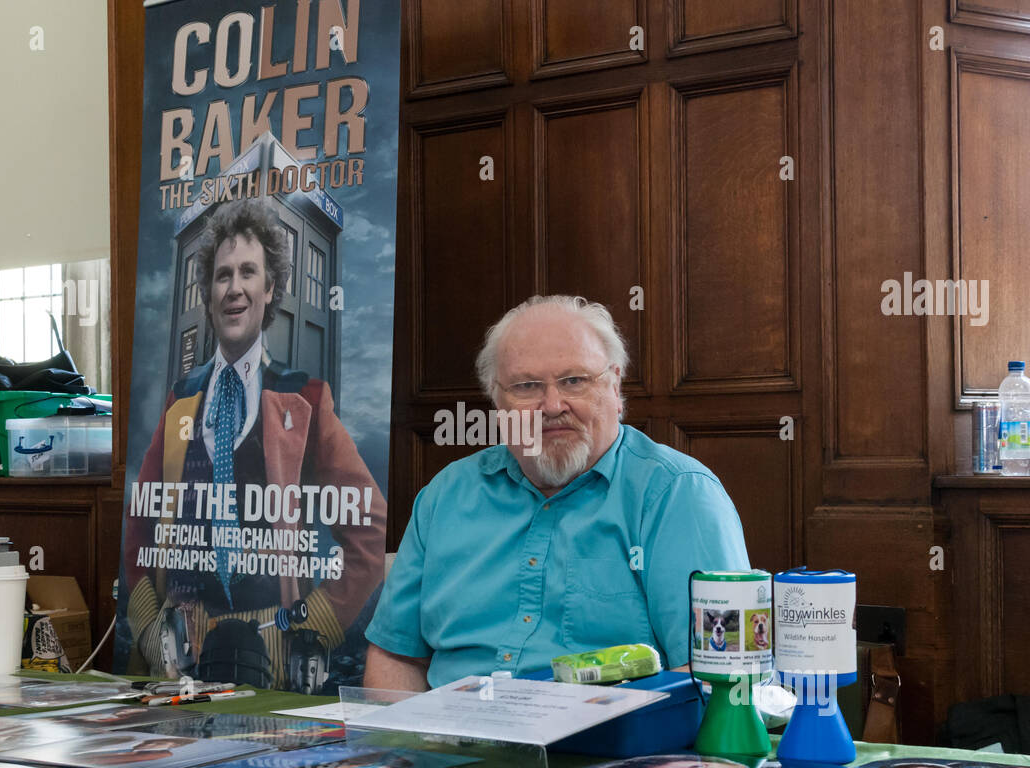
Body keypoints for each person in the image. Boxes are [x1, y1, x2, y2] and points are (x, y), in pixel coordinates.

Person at [364, 294, 750, 690]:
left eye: (574, 381)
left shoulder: (679, 495)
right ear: (497, 401)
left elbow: (716, 674)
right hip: (447, 744)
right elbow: (397, 655)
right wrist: (403, 747)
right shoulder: (446, 496)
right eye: (526, 386)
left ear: (615, 387)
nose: (551, 405)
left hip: (605, 745)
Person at [124, 197, 387, 690]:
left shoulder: (307, 399)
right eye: (223, 275)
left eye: (249, 272)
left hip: (273, 651)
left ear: (270, 289)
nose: (234, 288)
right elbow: (140, 527)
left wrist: (313, 628)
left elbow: (371, 531)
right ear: (207, 294)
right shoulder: (180, 401)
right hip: (181, 660)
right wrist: (151, 630)